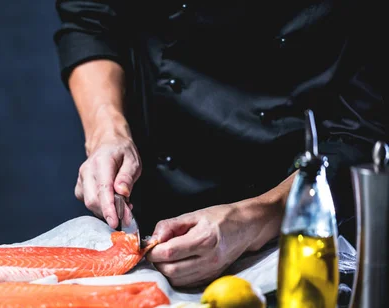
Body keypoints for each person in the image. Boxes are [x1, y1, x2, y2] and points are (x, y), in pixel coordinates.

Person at [52, 1, 386, 288]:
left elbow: (363, 135)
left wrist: (253, 219)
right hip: (159, 205)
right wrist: (107, 132)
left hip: (298, 228)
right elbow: (91, 19)